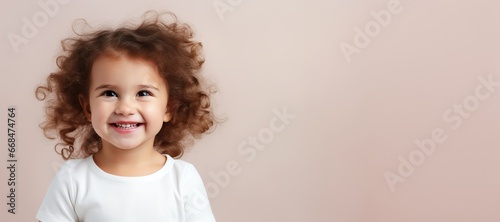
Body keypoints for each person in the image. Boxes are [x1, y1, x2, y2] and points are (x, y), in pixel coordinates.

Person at [35, 11, 217, 222]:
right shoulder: (72, 179)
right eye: (109, 93)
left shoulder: (182, 179)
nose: (125, 108)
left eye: (143, 93)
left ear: (169, 108)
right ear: (88, 108)